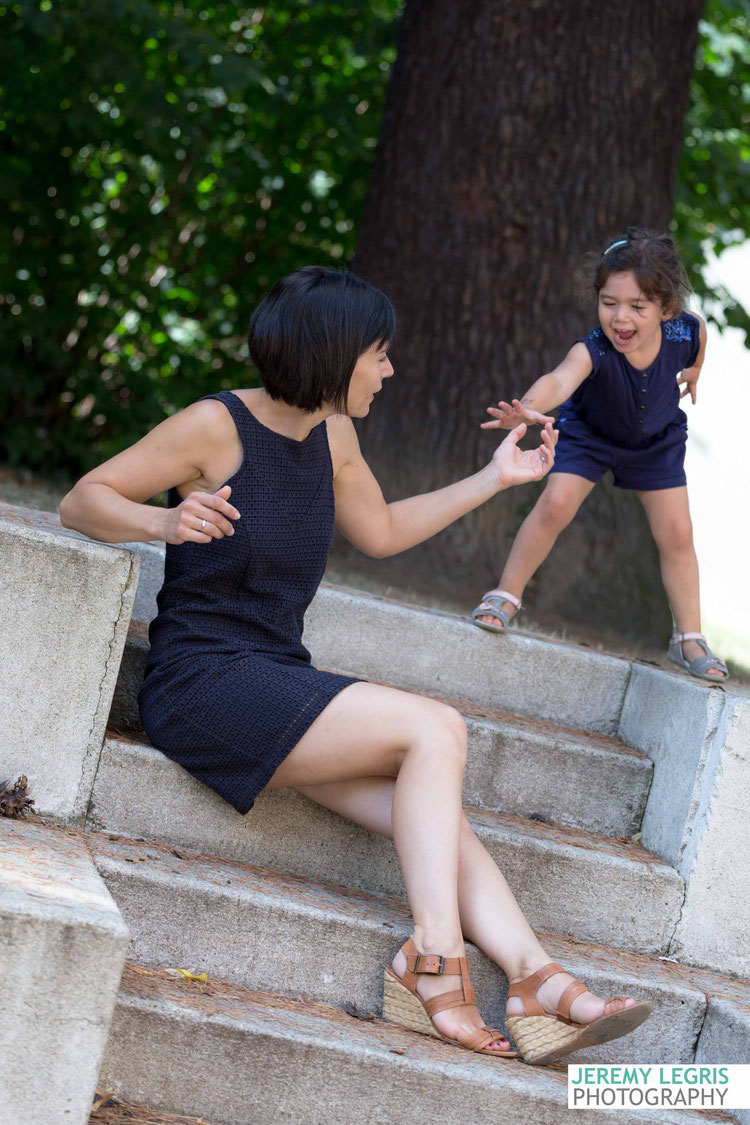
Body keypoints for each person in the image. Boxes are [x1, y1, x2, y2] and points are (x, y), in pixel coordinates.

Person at [60, 265, 651, 1066]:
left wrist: (494, 477)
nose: (389, 369)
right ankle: (433, 960)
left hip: (278, 678)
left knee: (433, 809)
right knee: (436, 729)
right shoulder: (213, 425)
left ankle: (536, 978)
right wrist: (164, 519)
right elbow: (83, 500)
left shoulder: (334, 433)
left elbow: (380, 529)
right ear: (334, 353)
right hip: (202, 684)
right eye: (379, 353)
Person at [473, 228, 728, 683]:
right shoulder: (593, 349)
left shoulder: (684, 330)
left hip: (657, 442)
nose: (620, 317)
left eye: (636, 307)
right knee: (555, 505)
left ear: (665, 309)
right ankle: (506, 594)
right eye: (609, 303)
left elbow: (700, 333)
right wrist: (529, 407)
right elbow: (558, 381)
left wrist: (694, 371)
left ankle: (688, 637)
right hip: (590, 435)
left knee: (677, 532)